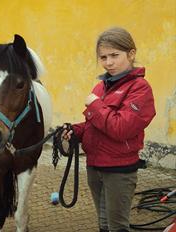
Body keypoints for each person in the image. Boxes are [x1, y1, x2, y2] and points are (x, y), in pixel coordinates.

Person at [62, 27, 156, 232]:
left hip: (119, 171)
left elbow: (121, 128)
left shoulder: (140, 88)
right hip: (94, 167)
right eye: (103, 57)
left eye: (115, 55)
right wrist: (76, 131)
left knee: (117, 227)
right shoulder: (101, 86)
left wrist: (95, 105)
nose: (109, 62)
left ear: (131, 54)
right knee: (103, 224)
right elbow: (93, 125)